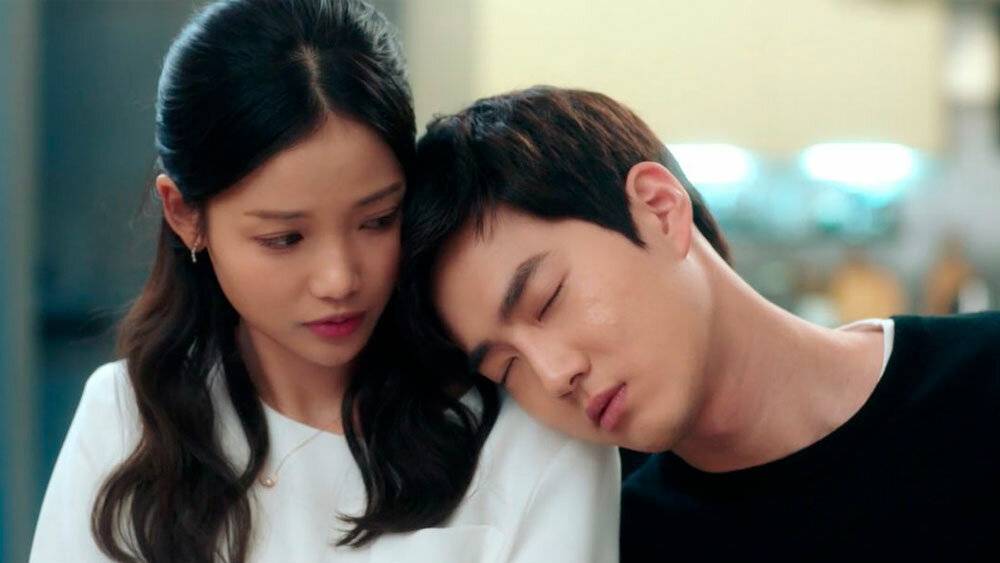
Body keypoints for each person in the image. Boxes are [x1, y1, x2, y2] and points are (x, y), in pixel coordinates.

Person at [30, 5, 618, 562]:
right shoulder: (126, 420)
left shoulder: (530, 431)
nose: (340, 279)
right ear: (185, 215)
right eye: (285, 238)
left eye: (377, 220)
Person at [400, 85, 1000, 562]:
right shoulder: (615, 539)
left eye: (548, 299)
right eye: (507, 368)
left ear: (660, 210)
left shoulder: (982, 379)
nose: (554, 375)